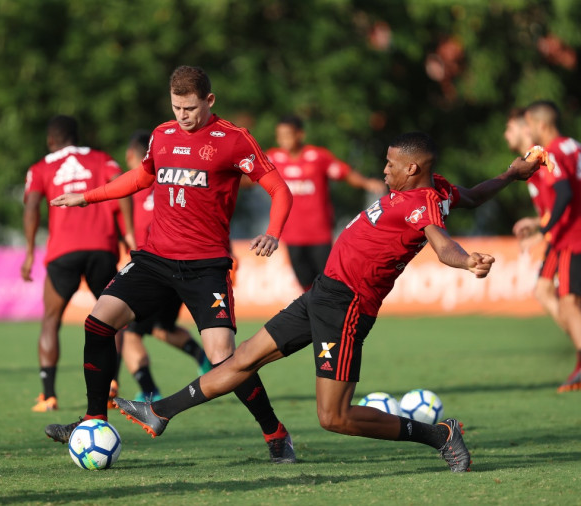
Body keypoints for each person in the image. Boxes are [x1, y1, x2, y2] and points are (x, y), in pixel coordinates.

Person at [114, 132, 544, 473]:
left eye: (391, 164)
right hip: (323, 292)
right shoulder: (439, 190)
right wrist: (511, 176)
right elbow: (472, 195)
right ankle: (160, 411)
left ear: (412, 168)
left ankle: (439, 436)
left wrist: (467, 260)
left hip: (347, 306)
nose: (384, 169)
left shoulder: (424, 202)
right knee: (243, 357)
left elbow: (441, 244)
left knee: (333, 418)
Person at [44, 66, 297, 463]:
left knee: (224, 361)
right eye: (177, 106)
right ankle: (92, 420)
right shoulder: (161, 135)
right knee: (98, 320)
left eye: (191, 108)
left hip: (206, 267)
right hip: (155, 259)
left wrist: (274, 231)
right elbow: (141, 178)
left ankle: (276, 433)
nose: (183, 115)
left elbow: (279, 189)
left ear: (209, 101)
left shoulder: (234, 140)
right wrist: (89, 197)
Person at [22, 115, 134, 412]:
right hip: (102, 248)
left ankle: (48, 395)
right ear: (77, 136)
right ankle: (111, 383)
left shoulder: (41, 167)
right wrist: (129, 234)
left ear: (50, 141)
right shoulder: (101, 160)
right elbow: (122, 188)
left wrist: (30, 251)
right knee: (114, 319)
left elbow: (32, 205)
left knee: (51, 320)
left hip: (63, 252)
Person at [121, 130, 212, 402]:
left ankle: (149, 390)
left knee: (130, 334)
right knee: (162, 328)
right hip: (182, 266)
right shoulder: (172, 180)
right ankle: (203, 358)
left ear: (130, 156)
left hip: (153, 268)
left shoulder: (131, 187)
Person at [266, 115, 387, 290]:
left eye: (288, 134)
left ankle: (336, 314)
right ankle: (315, 315)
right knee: (305, 284)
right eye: (280, 135)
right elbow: (251, 177)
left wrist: (366, 182)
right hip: (291, 236)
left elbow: (344, 173)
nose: (283, 140)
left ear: (300, 134)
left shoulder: (318, 157)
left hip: (319, 234)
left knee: (327, 283)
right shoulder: (273, 159)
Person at [514, 100, 581, 393]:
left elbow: (564, 192)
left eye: (528, 124)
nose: (527, 131)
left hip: (571, 236)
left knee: (569, 305)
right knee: (551, 294)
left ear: (540, 124)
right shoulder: (573, 145)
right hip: (569, 233)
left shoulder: (551, 152)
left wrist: (544, 228)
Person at [506, 107, 566, 331]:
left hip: (565, 236)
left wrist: (541, 233)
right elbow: (552, 207)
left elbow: (564, 201)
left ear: (525, 129)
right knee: (551, 293)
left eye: (510, 128)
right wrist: (535, 222)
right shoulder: (531, 163)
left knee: (551, 293)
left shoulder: (543, 160)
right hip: (558, 233)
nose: (506, 134)